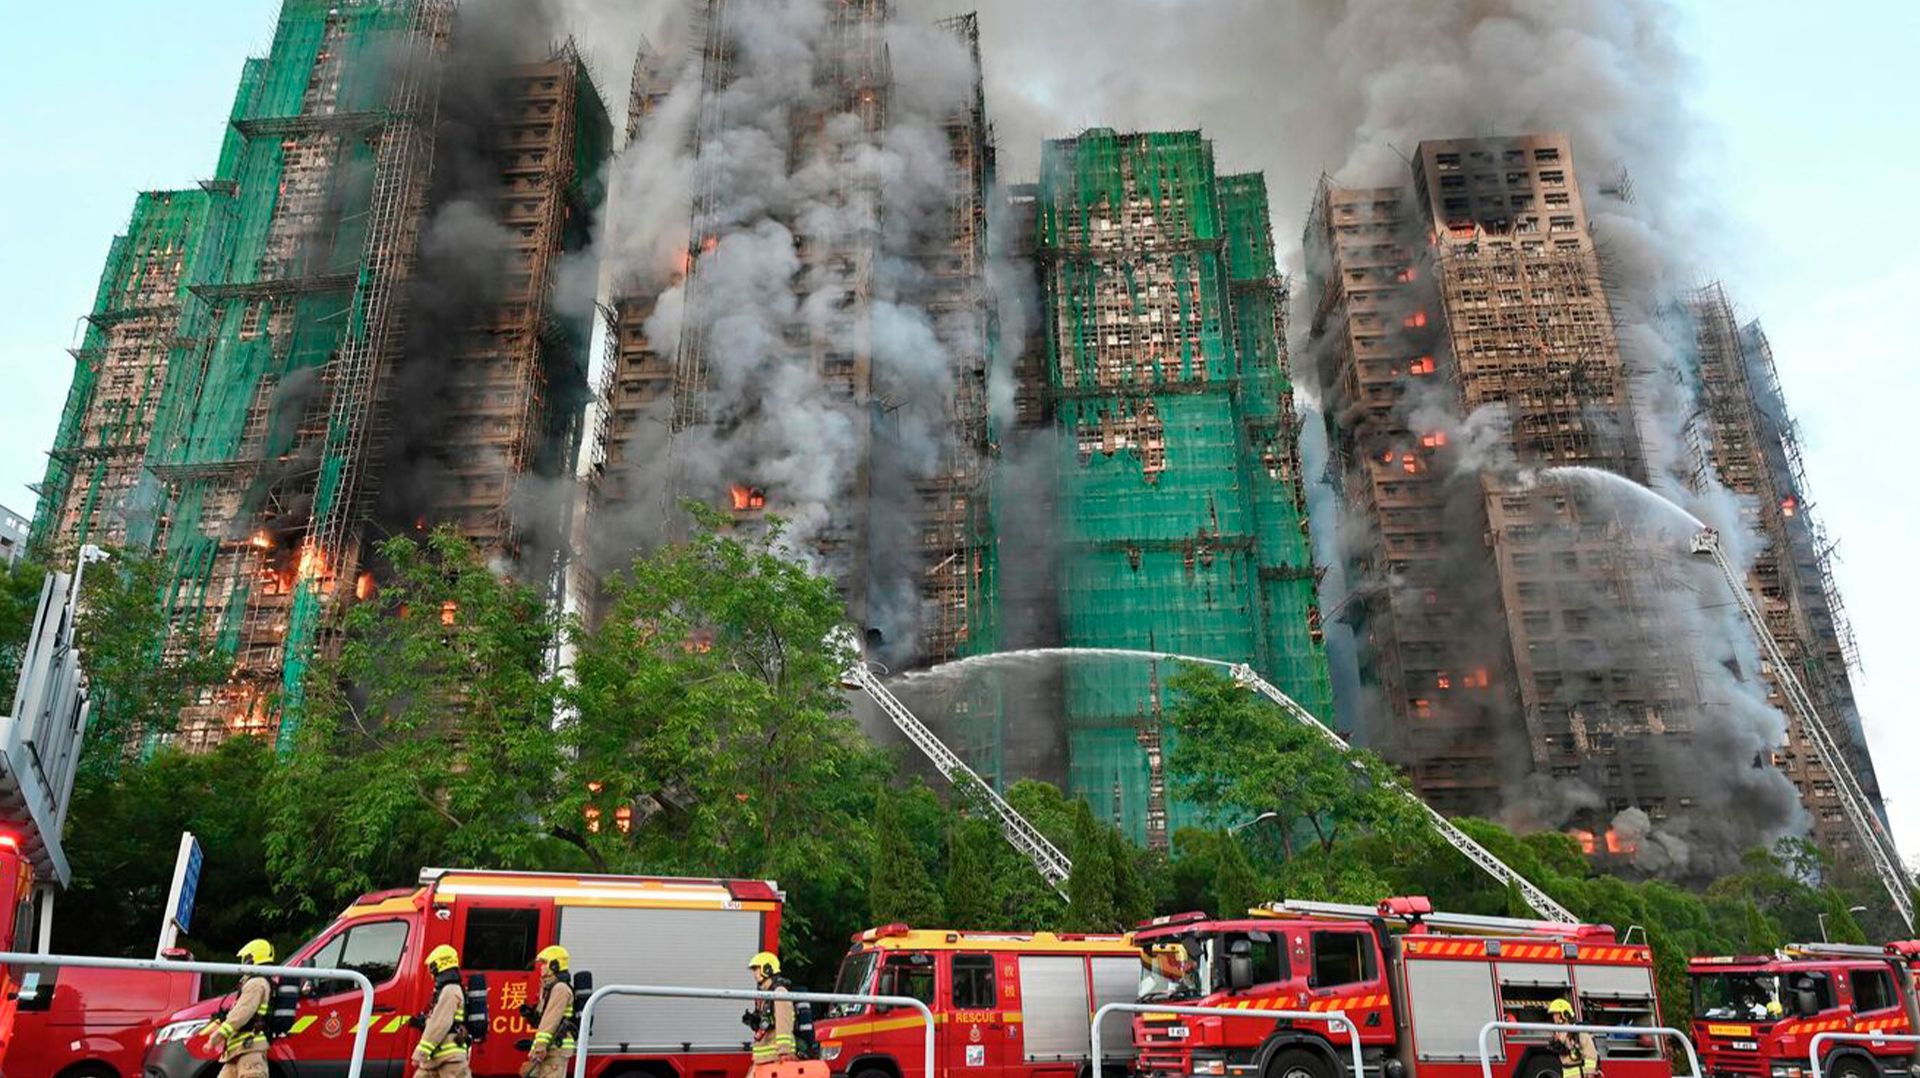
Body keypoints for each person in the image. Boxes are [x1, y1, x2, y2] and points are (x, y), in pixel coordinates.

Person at [203, 939, 275, 1078]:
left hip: (250, 1052)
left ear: (251, 959)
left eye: (245, 958)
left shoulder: (256, 984)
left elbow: (240, 1016)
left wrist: (215, 1038)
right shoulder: (253, 982)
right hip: (237, 1051)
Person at [412, 945, 472, 1078]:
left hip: (450, 1060)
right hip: (438, 1058)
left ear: (438, 965)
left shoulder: (450, 990)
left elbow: (440, 1024)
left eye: (431, 967)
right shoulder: (447, 990)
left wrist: (420, 1053)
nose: (430, 971)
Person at [523, 944, 576, 1078]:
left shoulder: (560, 989)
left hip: (555, 1050)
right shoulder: (552, 987)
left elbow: (550, 1020)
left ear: (554, 965)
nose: (541, 967)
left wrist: (540, 1046)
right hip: (551, 1049)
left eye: (545, 963)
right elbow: (543, 1019)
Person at [747, 951, 797, 1078]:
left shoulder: (779, 993)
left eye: (756, 969)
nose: (754, 974)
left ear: (767, 969)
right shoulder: (766, 995)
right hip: (763, 1060)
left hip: (775, 1059)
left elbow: (783, 1022)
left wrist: (784, 1052)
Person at [1548, 998, 1599, 1078]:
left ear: (1564, 1014)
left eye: (1556, 1014)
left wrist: (1590, 1074)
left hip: (1580, 1074)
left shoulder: (1578, 1031)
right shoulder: (1560, 1032)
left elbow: (1591, 1055)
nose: (1554, 1017)